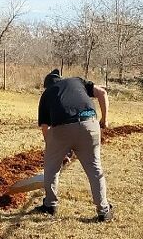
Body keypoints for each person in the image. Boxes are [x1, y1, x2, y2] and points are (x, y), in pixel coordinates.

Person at [34, 69, 113, 222]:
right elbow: (102, 93)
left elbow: (46, 128)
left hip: (61, 128)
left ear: (47, 85)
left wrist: (55, 151)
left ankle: (50, 205)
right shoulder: (77, 81)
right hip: (89, 124)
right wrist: (104, 119)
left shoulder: (46, 94)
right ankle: (103, 211)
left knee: (51, 168)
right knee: (95, 169)